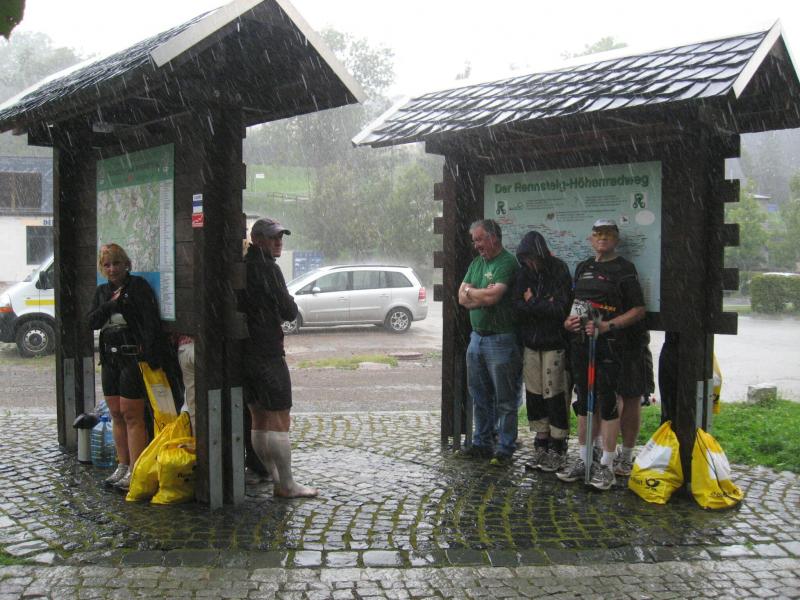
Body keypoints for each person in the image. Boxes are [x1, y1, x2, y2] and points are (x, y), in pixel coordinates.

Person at [558, 219, 648, 490]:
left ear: (616, 240)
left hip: (610, 346)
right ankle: (585, 459)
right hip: (582, 345)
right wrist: (569, 322)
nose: (602, 238)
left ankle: (607, 465)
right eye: (598, 234)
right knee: (584, 401)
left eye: (608, 234)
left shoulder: (624, 269)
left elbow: (638, 309)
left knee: (608, 402)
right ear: (591, 238)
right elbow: (578, 303)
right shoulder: (583, 267)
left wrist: (608, 326)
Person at [241, 217, 317, 498]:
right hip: (268, 352)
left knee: (258, 419)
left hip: (246, 353)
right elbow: (287, 310)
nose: (278, 242)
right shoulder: (268, 268)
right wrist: (290, 304)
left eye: (280, 237)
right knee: (279, 419)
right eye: (272, 237)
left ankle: (274, 477)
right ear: (257, 239)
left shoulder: (243, 266)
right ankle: (286, 484)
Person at [88, 243, 171, 491]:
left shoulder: (138, 287)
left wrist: (149, 355)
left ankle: (136, 468)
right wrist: (110, 305)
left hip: (132, 357)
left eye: (116, 263)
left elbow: (149, 322)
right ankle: (122, 464)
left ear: (126, 264)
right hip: (110, 358)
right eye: (107, 265)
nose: (112, 269)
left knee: (132, 414)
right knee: (115, 413)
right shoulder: (102, 292)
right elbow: (92, 321)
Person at [458, 219, 521, 465]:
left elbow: (494, 297)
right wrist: (478, 294)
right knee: (479, 395)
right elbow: (461, 298)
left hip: (501, 339)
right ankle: (482, 443)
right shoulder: (477, 263)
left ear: (493, 237)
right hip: (477, 338)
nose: (476, 245)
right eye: (474, 241)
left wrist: (473, 293)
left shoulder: (507, 262)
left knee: (505, 398)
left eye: (479, 239)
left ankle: (505, 447)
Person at [512, 230, 573, 473]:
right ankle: (541, 441)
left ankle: (558, 445)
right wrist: (542, 303)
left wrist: (532, 302)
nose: (530, 263)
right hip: (531, 344)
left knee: (555, 394)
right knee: (535, 394)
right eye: (526, 259)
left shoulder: (559, 270)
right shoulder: (523, 274)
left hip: (554, 343)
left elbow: (560, 309)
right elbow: (516, 306)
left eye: (532, 258)